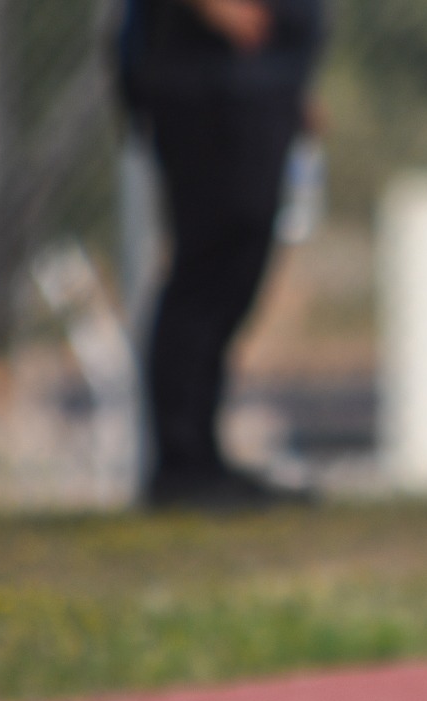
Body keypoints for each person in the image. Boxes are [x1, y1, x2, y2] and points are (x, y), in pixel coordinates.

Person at [118, 0, 323, 506]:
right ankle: (180, 464)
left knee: (237, 262)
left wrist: (290, 82)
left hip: (253, 79)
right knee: (206, 264)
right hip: (205, 80)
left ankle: (203, 459)